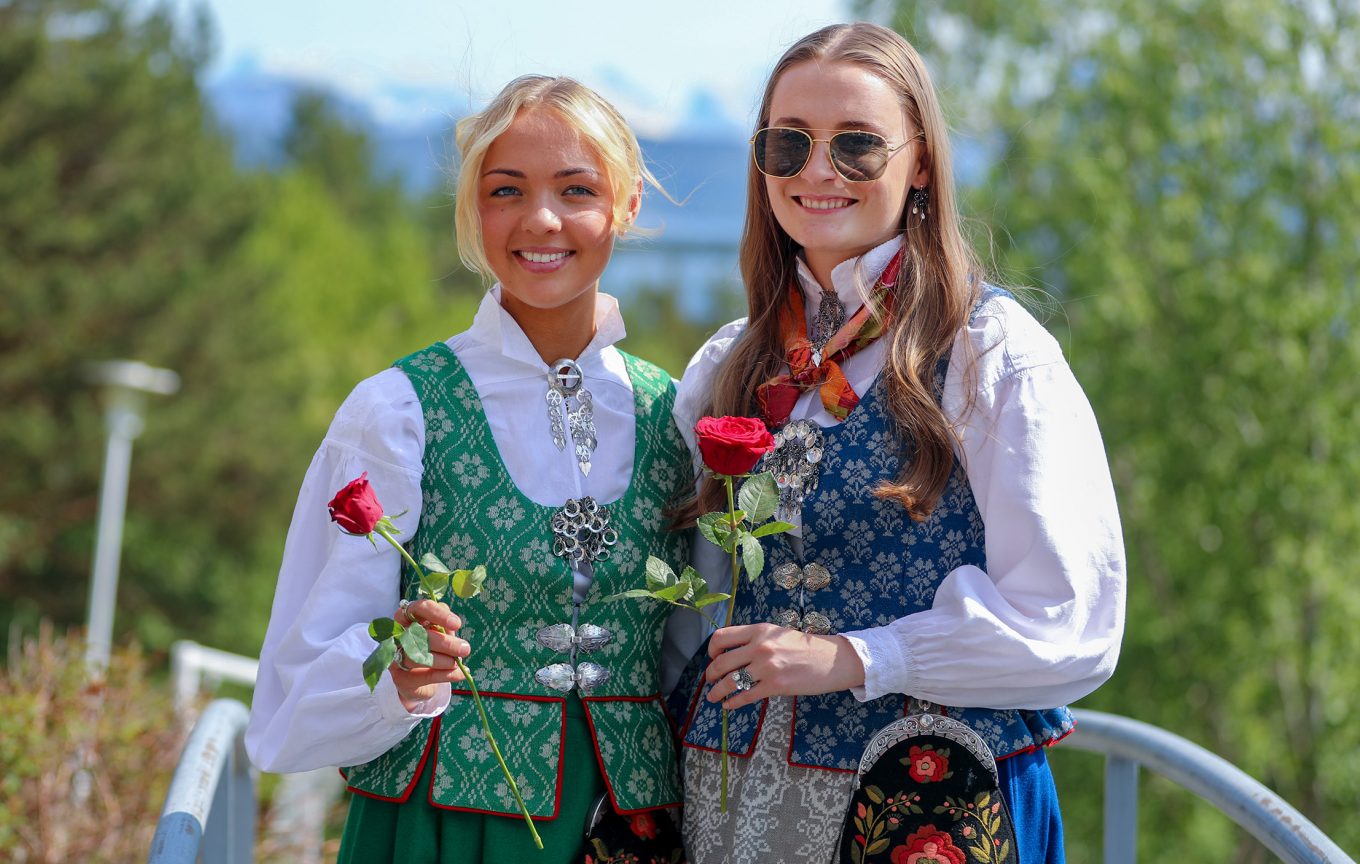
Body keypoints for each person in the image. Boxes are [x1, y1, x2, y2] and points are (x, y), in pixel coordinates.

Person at [671, 23, 1126, 864]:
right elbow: (694, 614)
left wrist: (857, 656)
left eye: (857, 145)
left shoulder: (990, 353)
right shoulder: (728, 364)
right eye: (789, 143)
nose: (818, 170)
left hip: (936, 807)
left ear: (919, 163)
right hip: (737, 805)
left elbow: (1070, 623)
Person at [246, 76, 694, 863]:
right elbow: (297, 679)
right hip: (442, 827)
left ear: (625, 205)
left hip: (631, 825)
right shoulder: (397, 410)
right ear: (473, 212)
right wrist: (396, 677)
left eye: (577, 189)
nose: (540, 219)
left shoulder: (675, 412)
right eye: (505, 190)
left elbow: (687, 651)